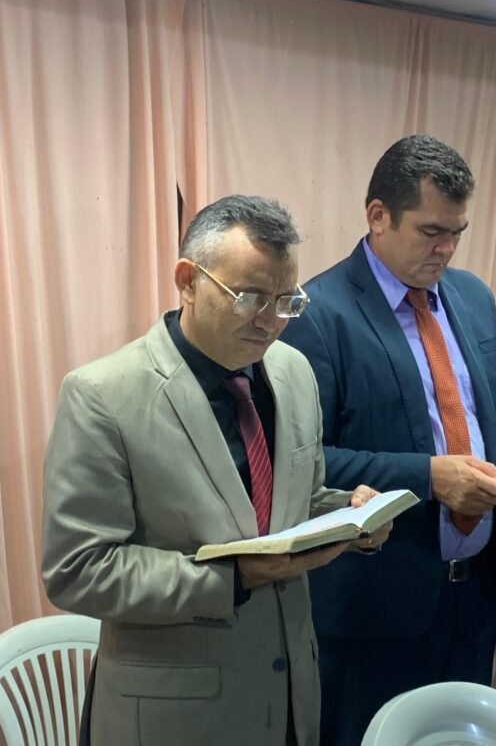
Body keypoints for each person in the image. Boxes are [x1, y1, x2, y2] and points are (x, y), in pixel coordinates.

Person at [41, 194, 390, 746]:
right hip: (176, 715)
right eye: (249, 298)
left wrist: (347, 513)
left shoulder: (293, 372)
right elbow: (78, 569)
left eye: (286, 302)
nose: (270, 322)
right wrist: (231, 579)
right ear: (187, 281)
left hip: (290, 697)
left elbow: (289, 501)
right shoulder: (103, 395)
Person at [280, 134, 496, 746]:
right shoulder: (318, 314)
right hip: (372, 604)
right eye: (432, 230)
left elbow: (492, 426)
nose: (447, 248)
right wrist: (429, 477)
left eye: (457, 232)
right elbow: (306, 463)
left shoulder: (472, 298)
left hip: (471, 595)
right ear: (378, 216)